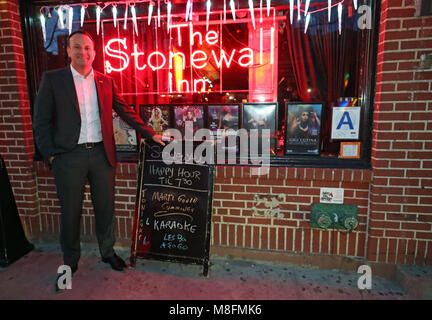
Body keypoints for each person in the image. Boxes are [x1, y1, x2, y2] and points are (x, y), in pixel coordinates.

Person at [32, 30, 164, 290]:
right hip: (69, 157)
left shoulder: (105, 81)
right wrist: (50, 154)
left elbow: (124, 109)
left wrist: (150, 133)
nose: (83, 52)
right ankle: (70, 261)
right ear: (68, 52)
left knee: (106, 208)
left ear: (95, 51)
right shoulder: (53, 79)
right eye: (77, 47)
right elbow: (41, 121)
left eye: (88, 48)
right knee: (70, 212)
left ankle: (107, 252)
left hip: (102, 154)